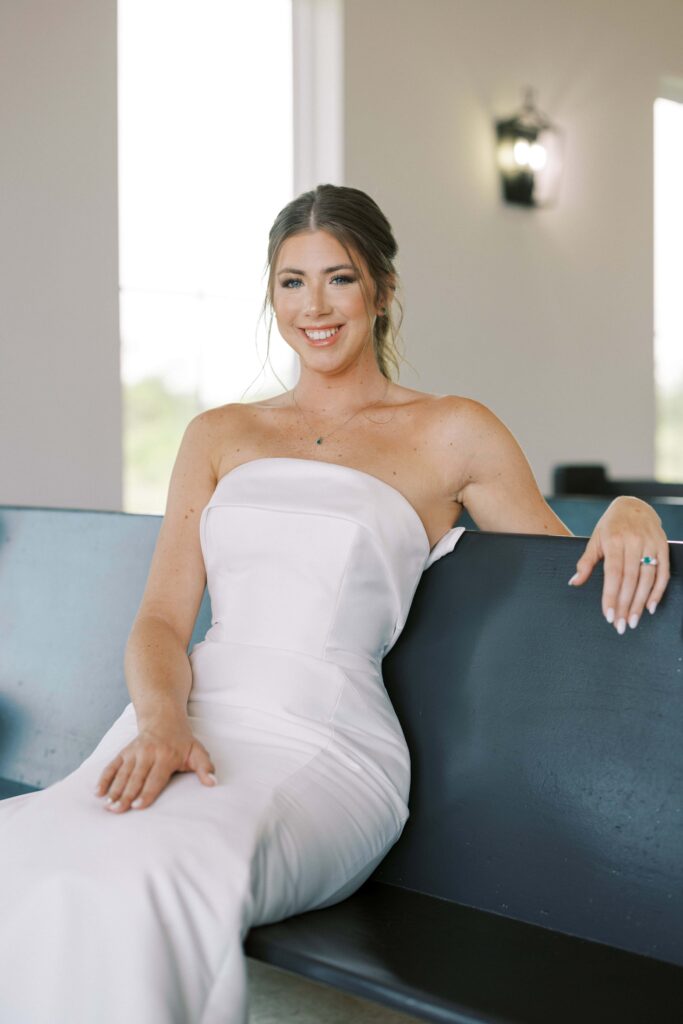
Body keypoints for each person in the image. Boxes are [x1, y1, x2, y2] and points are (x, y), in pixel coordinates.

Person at [0, 184, 670, 1024]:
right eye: (291, 282)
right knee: (25, 856)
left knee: (148, 878)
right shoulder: (218, 433)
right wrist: (164, 724)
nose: (313, 307)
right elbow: (162, 621)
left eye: (338, 278)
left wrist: (634, 513)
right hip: (180, 722)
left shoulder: (452, 430)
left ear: (381, 290)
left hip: (326, 745)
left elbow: (559, 572)